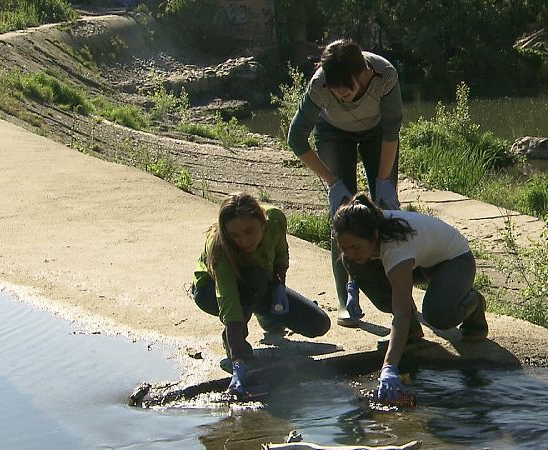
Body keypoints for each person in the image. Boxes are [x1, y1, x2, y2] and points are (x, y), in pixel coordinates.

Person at [287, 38, 404, 328]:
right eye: (336, 92)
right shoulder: (320, 86)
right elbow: (295, 139)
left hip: (378, 133)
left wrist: (384, 184)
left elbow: (391, 132)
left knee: (386, 214)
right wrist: (333, 182)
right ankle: (345, 298)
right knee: (342, 216)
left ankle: (399, 297)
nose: (342, 95)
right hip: (334, 134)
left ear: (363, 73)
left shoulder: (384, 75)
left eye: (348, 91)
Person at [331, 193, 488, 404]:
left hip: (454, 260)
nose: (350, 253)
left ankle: (474, 303)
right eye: (344, 247)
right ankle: (411, 333)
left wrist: (389, 368)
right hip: (418, 261)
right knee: (353, 263)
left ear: (374, 235)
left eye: (355, 247)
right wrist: (352, 286)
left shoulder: (396, 248)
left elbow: (401, 314)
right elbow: (352, 256)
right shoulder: (364, 226)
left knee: (439, 315)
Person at [192, 193, 331, 396]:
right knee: (255, 279)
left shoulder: (275, 219)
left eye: (250, 231)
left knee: (318, 324)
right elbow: (227, 298)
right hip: (209, 293)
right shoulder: (219, 246)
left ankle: (265, 314)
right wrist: (237, 355)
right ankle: (234, 340)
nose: (243, 240)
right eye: (235, 235)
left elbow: (281, 254)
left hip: (258, 284)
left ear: (262, 222)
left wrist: (279, 287)